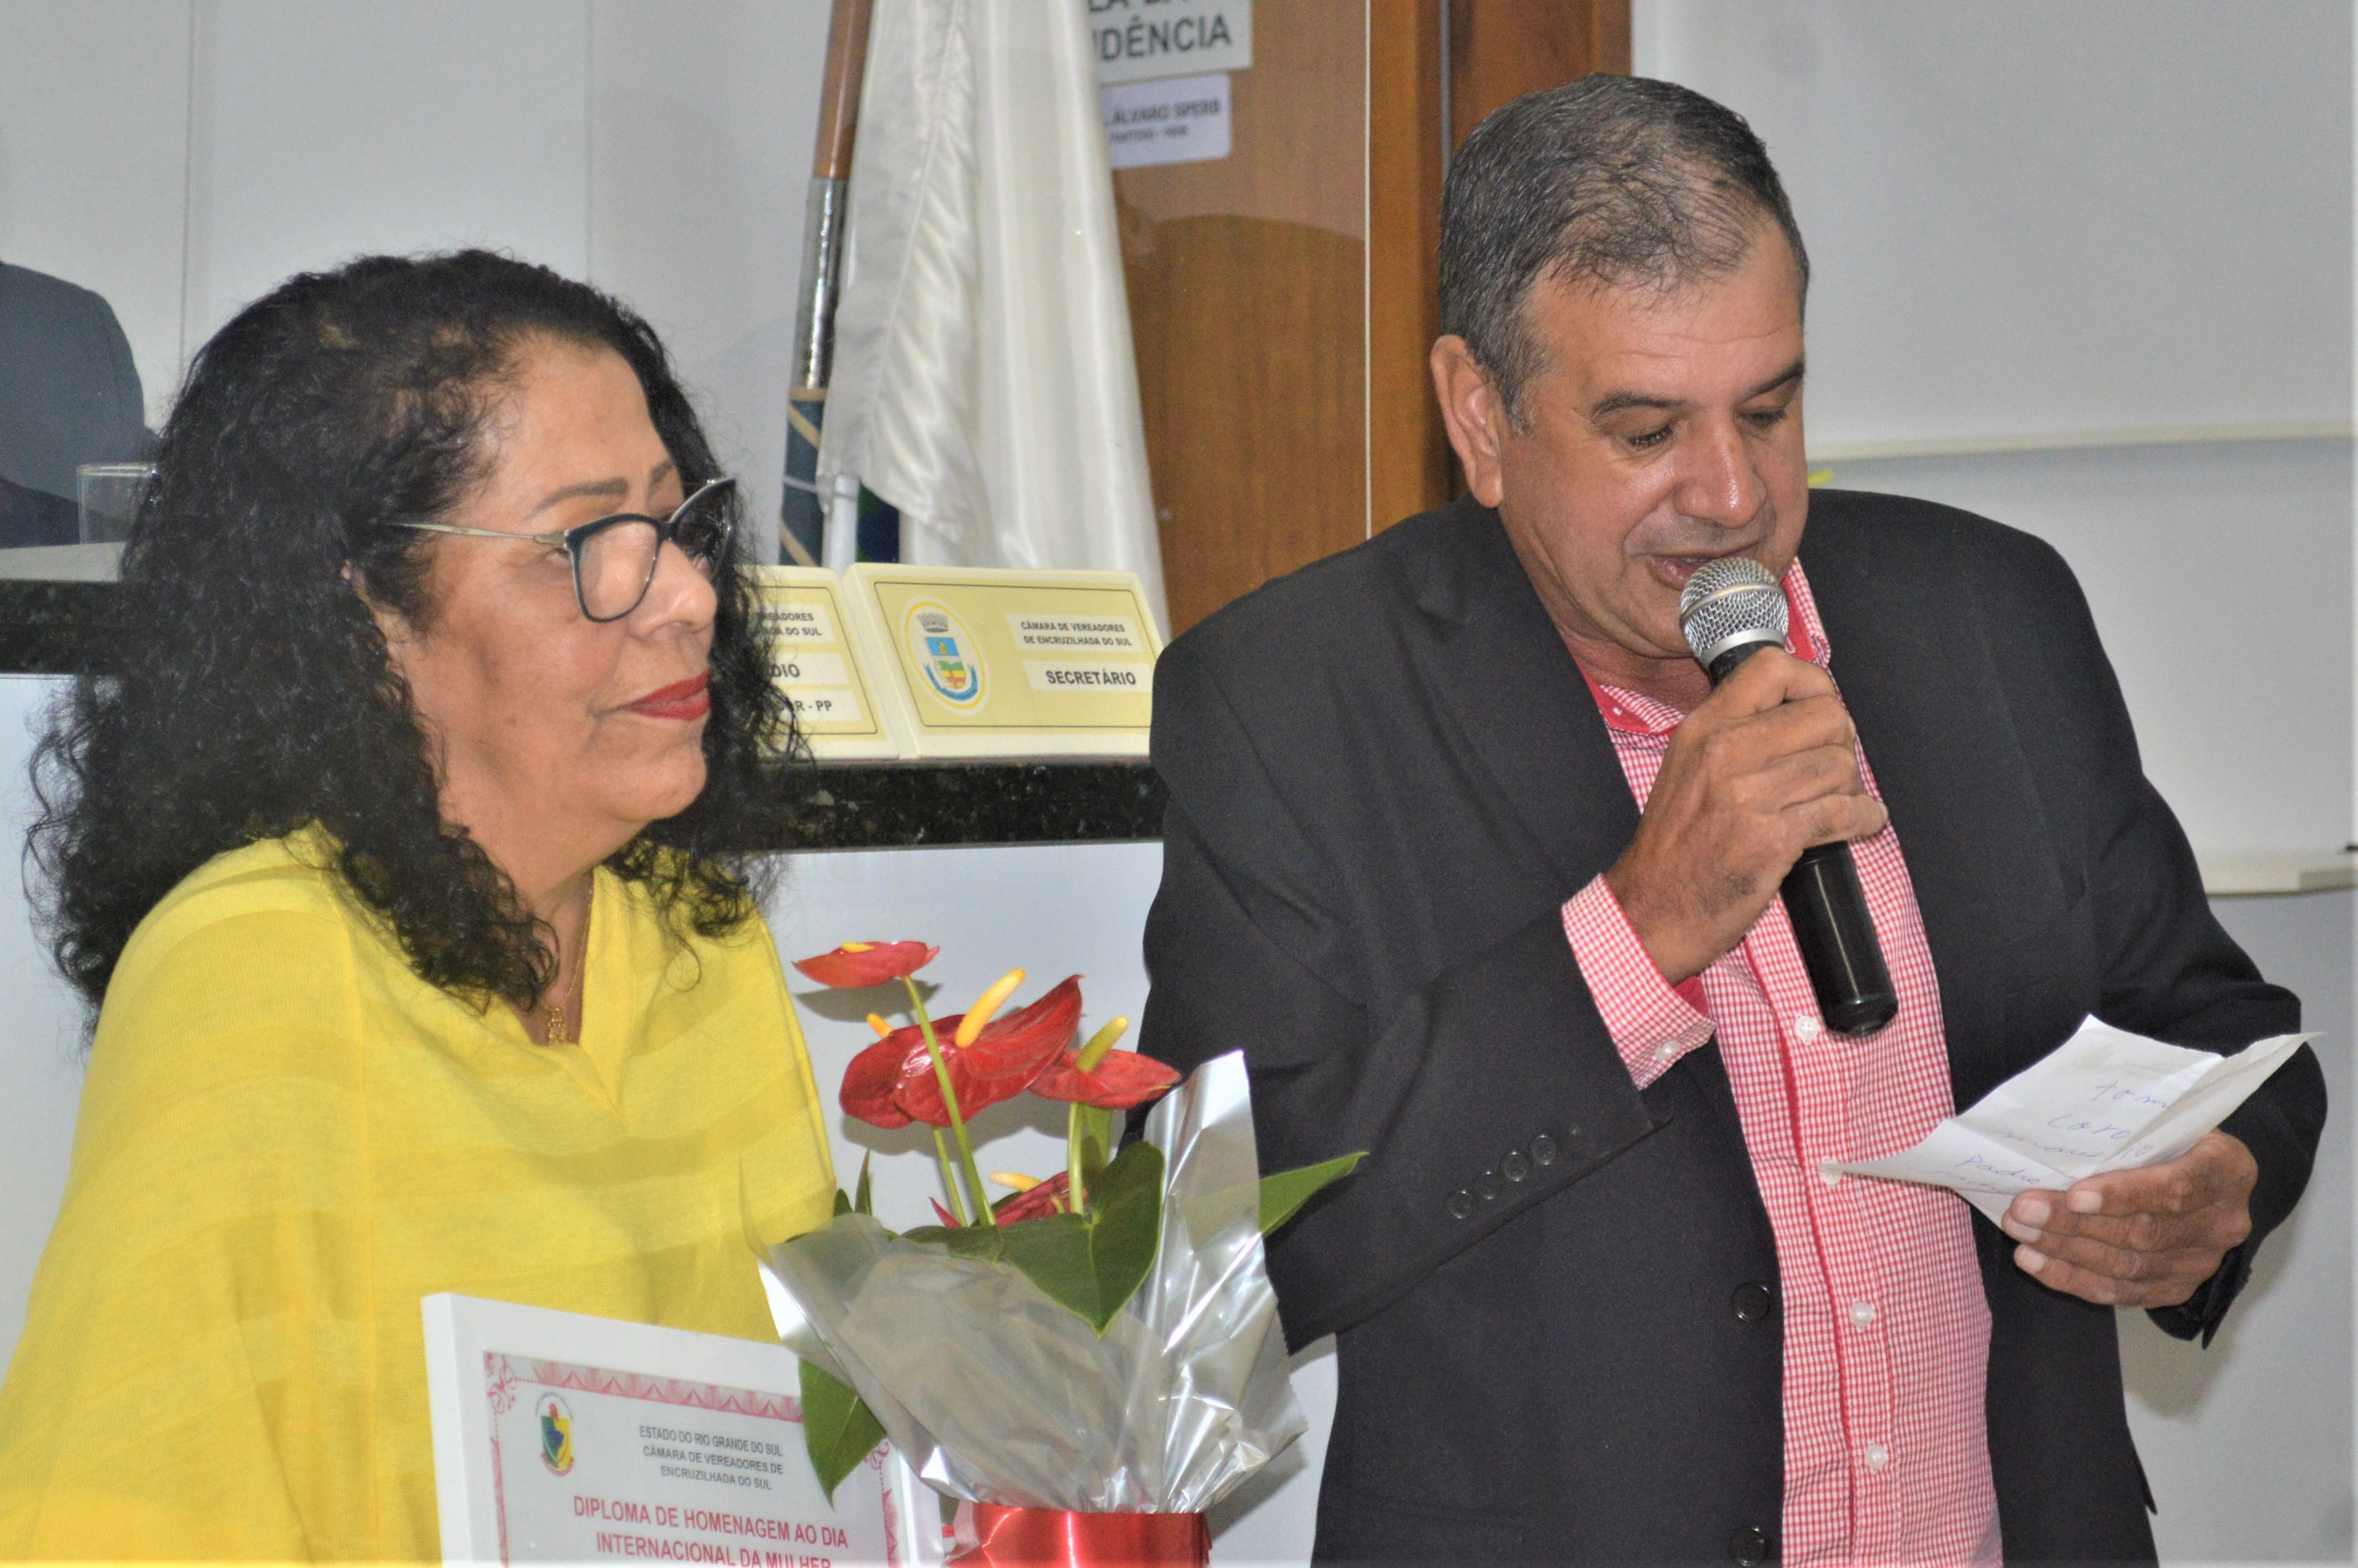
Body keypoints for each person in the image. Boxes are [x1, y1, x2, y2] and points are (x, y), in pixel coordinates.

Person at [1138, 76, 2326, 1566]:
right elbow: (1208, 1250)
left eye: (1767, 410)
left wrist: (2214, 1183)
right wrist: (1629, 938)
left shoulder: (1986, 615)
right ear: (1478, 415)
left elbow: (2217, 1029)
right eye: (1645, 429)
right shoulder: (1289, 701)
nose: (1730, 494)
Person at [0, 252, 836, 1556]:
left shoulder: (699, 943)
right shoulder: (252, 972)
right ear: (366, 607)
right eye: (592, 543)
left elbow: (807, 1476)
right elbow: (124, 1524)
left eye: (680, 524)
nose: (688, 595)